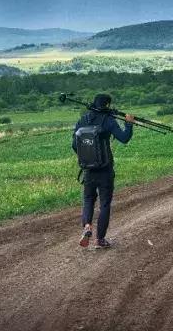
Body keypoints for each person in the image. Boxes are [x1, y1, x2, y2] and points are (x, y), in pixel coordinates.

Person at [72, 93, 134, 249]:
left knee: (88, 199)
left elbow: (74, 145)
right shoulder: (108, 120)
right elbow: (124, 138)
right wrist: (129, 124)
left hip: (88, 170)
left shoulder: (82, 120)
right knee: (104, 204)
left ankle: (87, 226)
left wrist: (87, 158)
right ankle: (100, 240)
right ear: (107, 105)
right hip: (105, 169)